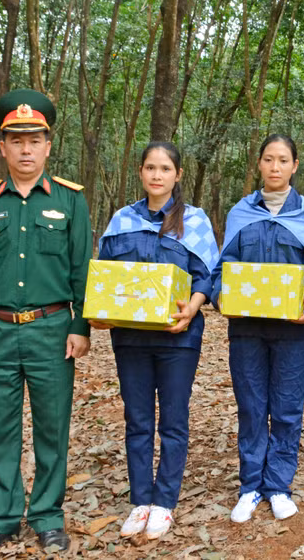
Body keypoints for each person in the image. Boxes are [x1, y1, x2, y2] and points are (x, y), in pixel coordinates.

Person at [0, 89, 92, 557]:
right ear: (3, 147)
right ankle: (1, 518)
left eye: (35, 140)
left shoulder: (71, 202)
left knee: (52, 427)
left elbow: (82, 269)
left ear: (48, 146)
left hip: (52, 329)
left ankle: (49, 516)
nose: (26, 149)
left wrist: (82, 326)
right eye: (16, 141)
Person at [91, 141, 219, 540]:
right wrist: (99, 312)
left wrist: (193, 308)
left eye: (165, 168)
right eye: (150, 167)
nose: (157, 175)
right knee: (138, 419)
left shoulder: (194, 221)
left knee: (174, 419)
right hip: (130, 339)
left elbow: (207, 277)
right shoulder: (121, 221)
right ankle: (140, 500)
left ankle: (164, 502)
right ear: (141, 172)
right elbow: (105, 278)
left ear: (177, 175)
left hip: (177, 338)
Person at [211, 134, 304, 523]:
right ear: (258, 164)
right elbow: (220, 268)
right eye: (268, 159)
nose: (275, 167)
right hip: (246, 330)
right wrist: (218, 296)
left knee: (288, 408)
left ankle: (278, 485)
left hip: (294, 332)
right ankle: (250, 487)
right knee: (251, 407)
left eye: (283, 160)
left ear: (295, 166)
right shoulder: (240, 213)